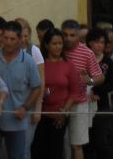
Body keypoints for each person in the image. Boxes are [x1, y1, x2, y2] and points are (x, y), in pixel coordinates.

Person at [0, 21, 41, 159]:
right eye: (5, 38)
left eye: (12, 39)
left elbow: (37, 87)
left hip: (18, 122)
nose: (8, 42)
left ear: (19, 39)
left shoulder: (28, 61)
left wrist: (25, 107)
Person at [31, 28, 80, 159]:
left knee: (55, 151)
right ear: (47, 45)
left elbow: (74, 92)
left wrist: (64, 112)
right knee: (37, 150)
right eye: (54, 44)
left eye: (60, 43)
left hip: (59, 116)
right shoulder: (39, 64)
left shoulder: (68, 65)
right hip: (40, 115)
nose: (58, 47)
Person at [61, 20, 103, 159]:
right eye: (65, 34)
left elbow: (100, 77)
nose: (68, 38)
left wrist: (90, 81)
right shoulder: (57, 48)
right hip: (58, 102)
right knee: (59, 144)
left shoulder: (87, 53)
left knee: (77, 145)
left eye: (72, 35)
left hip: (79, 103)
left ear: (78, 35)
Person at [15, 18, 43, 156]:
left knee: (24, 148)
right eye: (21, 36)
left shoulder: (34, 51)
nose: (23, 40)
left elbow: (41, 82)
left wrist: (38, 109)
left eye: (26, 36)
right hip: (12, 106)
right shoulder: (7, 51)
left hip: (29, 105)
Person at [86, 28, 113, 159]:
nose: (100, 45)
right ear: (90, 43)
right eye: (97, 42)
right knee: (87, 141)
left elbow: (111, 84)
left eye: (102, 42)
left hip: (102, 104)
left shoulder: (108, 61)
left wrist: (95, 91)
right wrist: (89, 93)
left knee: (101, 140)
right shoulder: (85, 59)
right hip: (85, 103)